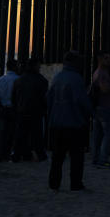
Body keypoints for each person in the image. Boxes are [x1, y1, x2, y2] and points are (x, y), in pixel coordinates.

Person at [46, 51, 93, 192]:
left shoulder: (57, 78)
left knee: (57, 156)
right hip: (74, 123)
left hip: (57, 123)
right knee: (77, 156)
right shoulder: (76, 79)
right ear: (75, 63)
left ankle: (54, 183)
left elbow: (48, 99)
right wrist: (90, 113)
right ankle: (75, 183)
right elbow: (82, 101)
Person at [12, 57, 49, 162]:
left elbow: (13, 98)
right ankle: (40, 155)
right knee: (37, 136)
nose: (40, 67)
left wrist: (17, 108)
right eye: (38, 66)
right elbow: (44, 98)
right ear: (35, 66)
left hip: (22, 111)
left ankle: (18, 155)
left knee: (20, 136)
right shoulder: (41, 80)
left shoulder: (18, 80)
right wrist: (44, 109)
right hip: (36, 113)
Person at [90, 52, 110, 168]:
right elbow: (105, 89)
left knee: (97, 134)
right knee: (109, 134)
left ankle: (96, 158)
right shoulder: (102, 74)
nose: (109, 60)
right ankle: (103, 159)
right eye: (106, 58)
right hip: (105, 107)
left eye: (109, 58)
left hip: (98, 107)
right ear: (100, 60)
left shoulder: (97, 73)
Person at [0, 59, 20, 161]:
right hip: (13, 109)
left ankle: (2, 154)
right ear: (14, 67)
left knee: (2, 133)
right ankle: (10, 153)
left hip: (2, 109)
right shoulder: (18, 80)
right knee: (12, 133)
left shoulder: (0, 80)